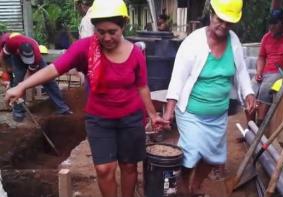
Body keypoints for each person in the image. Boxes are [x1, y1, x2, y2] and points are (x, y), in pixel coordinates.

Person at [4, 0, 168, 197]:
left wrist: (152, 114)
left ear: (123, 25)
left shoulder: (135, 54)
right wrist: (21, 85)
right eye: (100, 31)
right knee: (104, 169)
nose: (106, 37)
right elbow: (55, 68)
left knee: (129, 166)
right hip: (100, 120)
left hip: (131, 119)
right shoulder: (84, 48)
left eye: (112, 31)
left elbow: (142, 86)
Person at [162, 0, 255, 195]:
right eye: (220, 19)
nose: (223, 26)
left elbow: (241, 72)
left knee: (212, 157)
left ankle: (195, 187)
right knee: (191, 152)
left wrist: (249, 93)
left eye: (229, 22)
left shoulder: (234, 41)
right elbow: (177, 78)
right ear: (211, 14)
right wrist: (169, 112)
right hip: (191, 112)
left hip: (218, 114)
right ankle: (180, 187)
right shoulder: (193, 42)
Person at [0, 33, 72, 122]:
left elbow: (30, 73)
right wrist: (5, 73)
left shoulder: (36, 56)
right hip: (17, 58)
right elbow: (2, 56)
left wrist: (23, 86)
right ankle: (18, 111)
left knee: (48, 80)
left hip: (35, 59)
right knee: (17, 81)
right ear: (18, 50)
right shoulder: (11, 43)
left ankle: (62, 108)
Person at [252, 8, 283, 126]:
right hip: (265, 72)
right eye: (270, 23)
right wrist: (259, 71)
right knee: (250, 89)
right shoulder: (266, 37)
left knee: (265, 89)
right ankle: (249, 126)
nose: (271, 27)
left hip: (279, 72)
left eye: (275, 23)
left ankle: (259, 126)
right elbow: (261, 57)